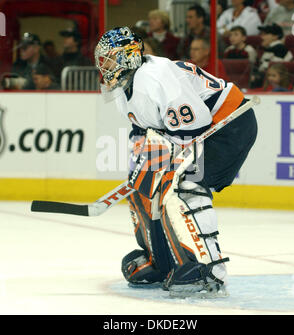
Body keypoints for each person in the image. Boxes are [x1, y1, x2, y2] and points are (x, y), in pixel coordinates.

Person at [94, 27, 257, 298]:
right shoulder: (124, 88)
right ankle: (162, 261)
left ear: (129, 56)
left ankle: (207, 269)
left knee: (183, 186)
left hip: (227, 127)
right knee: (144, 191)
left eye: (110, 58)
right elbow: (144, 133)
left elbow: (195, 127)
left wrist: (162, 165)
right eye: (103, 59)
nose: (105, 66)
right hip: (194, 132)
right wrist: (143, 172)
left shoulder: (155, 77)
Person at [250, 23, 293, 88]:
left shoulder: (279, 48)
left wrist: (256, 76)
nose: (262, 37)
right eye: (261, 34)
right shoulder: (272, 48)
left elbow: (272, 69)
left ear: (275, 36)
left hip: (277, 85)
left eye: (265, 34)